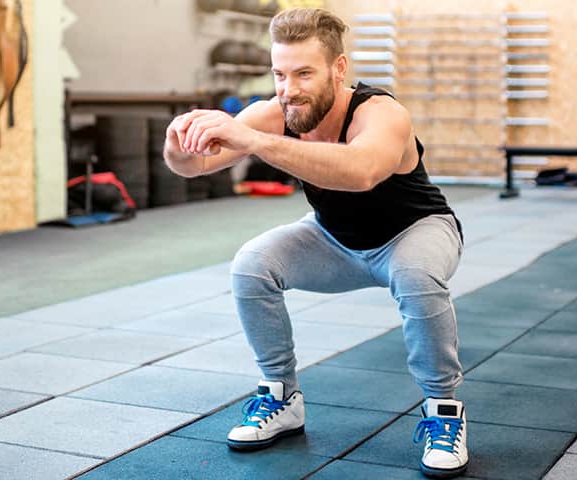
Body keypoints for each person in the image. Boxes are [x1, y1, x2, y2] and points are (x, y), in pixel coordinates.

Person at [162, 7, 468, 479]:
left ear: (338, 68)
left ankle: (443, 412)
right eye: (280, 74)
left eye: (304, 73)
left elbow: (360, 172)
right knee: (252, 264)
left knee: (414, 274)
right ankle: (281, 398)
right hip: (334, 239)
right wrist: (178, 143)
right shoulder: (276, 112)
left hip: (416, 231)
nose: (289, 89)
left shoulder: (382, 112)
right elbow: (195, 166)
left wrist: (253, 141)